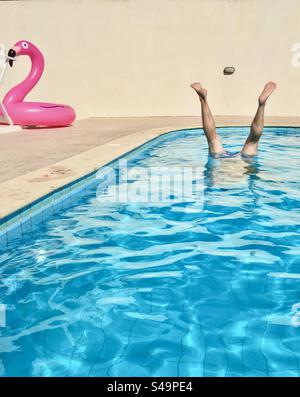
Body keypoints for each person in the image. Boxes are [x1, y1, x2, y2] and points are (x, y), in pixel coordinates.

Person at [190, 81, 277, 157]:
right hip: (243, 161)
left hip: (221, 159)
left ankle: (203, 99)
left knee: (213, 139)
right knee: (252, 141)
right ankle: (262, 105)